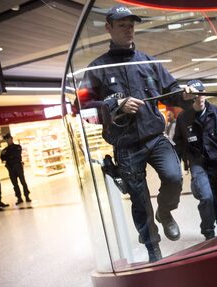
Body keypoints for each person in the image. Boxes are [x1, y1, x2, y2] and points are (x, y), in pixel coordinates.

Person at [81, 4, 196, 262]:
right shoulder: (95, 69)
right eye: (122, 25)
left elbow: (172, 90)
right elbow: (82, 109)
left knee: (174, 177)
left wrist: (186, 95)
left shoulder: (149, 62)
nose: (128, 29)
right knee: (139, 200)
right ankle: (153, 250)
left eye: (131, 24)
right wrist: (114, 105)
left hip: (155, 138)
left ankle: (165, 213)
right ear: (109, 28)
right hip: (125, 145)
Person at [173, 80, 217, 239]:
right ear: (190, 97)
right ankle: (208, 231)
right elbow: (179, 142)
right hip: (197, 163)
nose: (200, 97)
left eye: (202, 93)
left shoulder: (215, 111)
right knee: (206, 196)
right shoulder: (183, 118)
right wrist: (180, 164)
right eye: (196, 95)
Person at [0, 133, 31, 205]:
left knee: (23, 182)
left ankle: (27, 196)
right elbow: (2, 158)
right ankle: (19, 198)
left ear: (11, 139)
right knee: (15, 184)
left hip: (18, 167)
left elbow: (16, 155)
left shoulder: (17, 147)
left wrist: (8, 156)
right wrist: (9, 156)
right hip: (10, 168)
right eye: (6, 139)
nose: (8, 140)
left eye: (9, 139)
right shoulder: (4, 150)